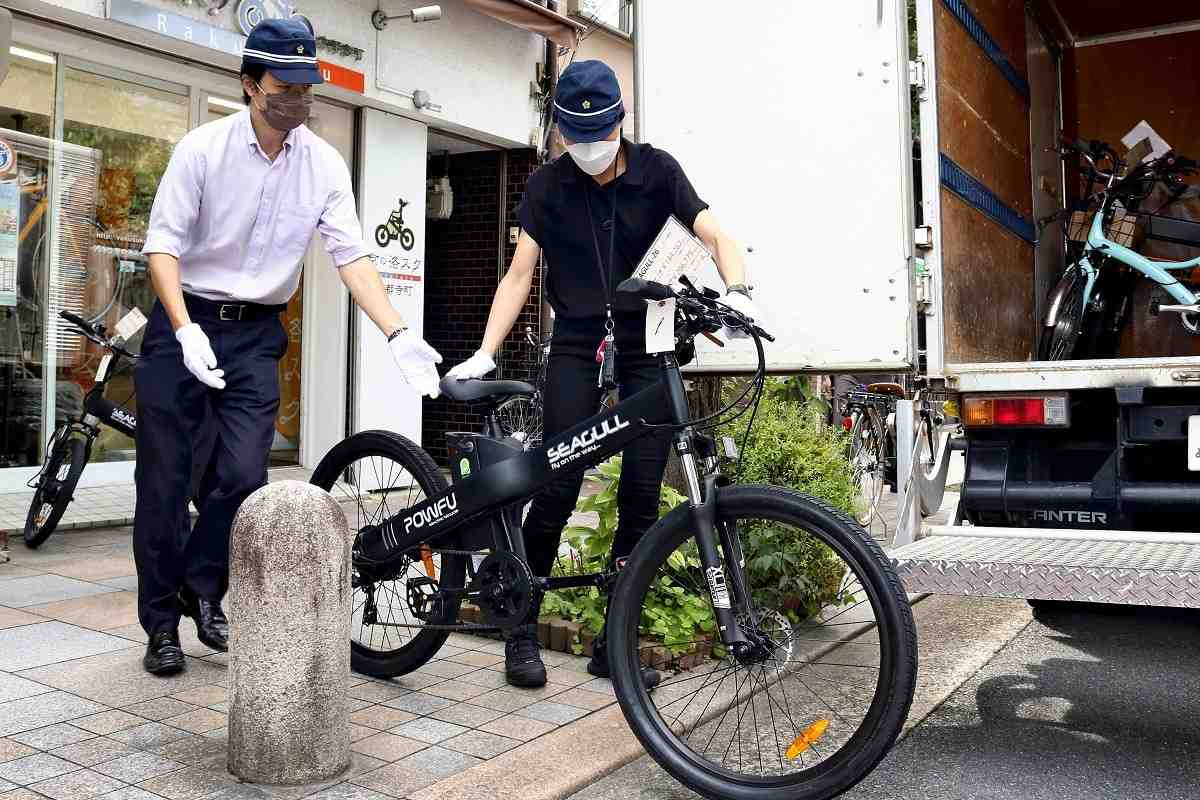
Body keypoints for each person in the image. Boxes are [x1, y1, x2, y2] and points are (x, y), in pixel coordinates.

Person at [134, 18, 442, 676]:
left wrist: (397, 332)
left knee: (245, 478)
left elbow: (352, 257)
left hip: (254, 335)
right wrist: (185, 327)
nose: (299, 100)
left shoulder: (323, 163)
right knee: (162, 485)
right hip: (181, 321)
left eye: (308, 88)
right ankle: (161, 625)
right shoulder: (202, 150)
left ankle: (202, 585)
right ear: (250, 85)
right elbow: (162, 246)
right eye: (285, 86)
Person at [446, 60, 760, 688]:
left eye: (599, 133)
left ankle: (613, 640)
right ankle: (518, 628)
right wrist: (486, 349)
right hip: (578, 341)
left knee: (641, 495)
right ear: (560, 130)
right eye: (574, 136)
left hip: (650, 339)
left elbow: (716, 231)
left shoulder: (658, 172)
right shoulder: (547, 187)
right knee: (558, 479)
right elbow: (519, 275)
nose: (588, 148)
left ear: (621, 121)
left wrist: (740, 291)